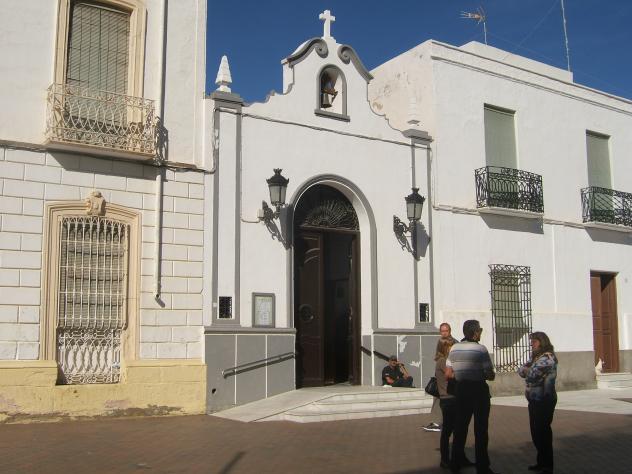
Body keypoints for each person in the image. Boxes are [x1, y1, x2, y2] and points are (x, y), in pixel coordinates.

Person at [446, 320, 498, 474]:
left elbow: (448, 373)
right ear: (475, 333)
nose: (481, 333)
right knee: (481, 430)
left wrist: (462, 374)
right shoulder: (480, 349)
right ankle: (482, 466)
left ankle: (455, 463)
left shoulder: (454, 348)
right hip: (479, 391)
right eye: (480, 330)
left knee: (460, 428)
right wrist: (478, 373)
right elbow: (490, 374)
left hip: (461, 390)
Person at [518, 332, 558, 474]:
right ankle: (541, 462)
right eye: (531, 341)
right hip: (534, 400)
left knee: (543, 432)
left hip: (544, 400)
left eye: (534, 341)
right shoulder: (536, 357)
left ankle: (547, 465)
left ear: (542, 342)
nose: (532, 344)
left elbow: (532, 375)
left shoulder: (548, 358)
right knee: (535, 432)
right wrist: (528, 369)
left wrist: (528, 370)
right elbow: (521, 371)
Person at [435, 337, 475, 470]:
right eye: (450, 346)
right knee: (448, 431)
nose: (452, 349)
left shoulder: (448, 360)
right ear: (443, 348)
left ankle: (459, 457)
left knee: (459, 430)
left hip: (453, 398)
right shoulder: (443, 361)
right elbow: (452, 375)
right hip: (448, 399)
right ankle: (445, 459)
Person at [424, 323, 459, 432]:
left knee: (444, 398)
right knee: (438, 397)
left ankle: (440, 422)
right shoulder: (440, 342)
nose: (444, 333)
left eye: (446, 331)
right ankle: (437, 422)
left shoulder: (454, 342)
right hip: (443, 373)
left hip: (449, 374)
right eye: (442, 331)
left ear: (450, 331)